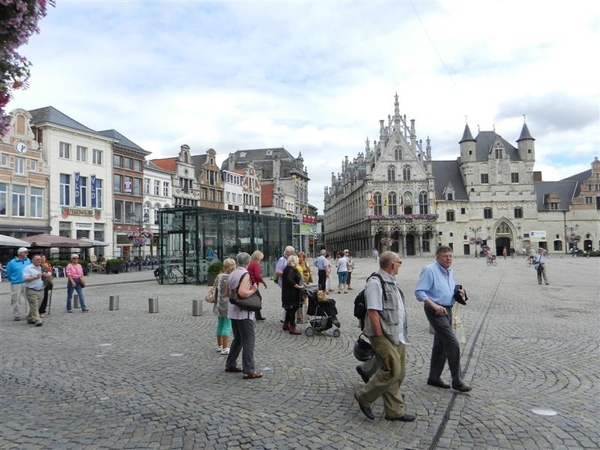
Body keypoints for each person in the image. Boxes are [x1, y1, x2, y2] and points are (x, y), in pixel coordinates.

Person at [354, 251, 414, 422]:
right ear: (393, 264)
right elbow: (373, 310)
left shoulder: (392, 281)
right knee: (392, 369)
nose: (400, 265)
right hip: (384, 334)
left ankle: (394, 411)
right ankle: (364, 397)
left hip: (397, 333)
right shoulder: (375, 282)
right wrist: (380, 335)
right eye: (399, 262)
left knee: (399, 372)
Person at [415, 245, 471, 393]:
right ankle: (457, 381)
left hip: (448, 309)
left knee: (440, 345)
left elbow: (448, 289)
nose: (448, 259)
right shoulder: (429, 270)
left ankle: (434, 377)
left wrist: (459, 291)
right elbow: (420, 292)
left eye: (450, 256)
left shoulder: (450, 271)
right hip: (436, 311)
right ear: (437, 257)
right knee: (453, 344)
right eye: (445, 256)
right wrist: (433, 305)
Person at [224, 252, 262, 379]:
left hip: (233, 310)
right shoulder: (245, 274)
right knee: (248, 339)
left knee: (238, 338)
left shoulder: (233, 273)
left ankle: (230, 363)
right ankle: (249, 369)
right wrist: (253, 290)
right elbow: (242, 292)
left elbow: (227, 292)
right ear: (248, 262)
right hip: (243, 311)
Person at [214, 258, 236, 355]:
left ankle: (219, 346)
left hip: (219, 303)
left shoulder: (219, 276)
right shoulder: (232, 277)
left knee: (220, 324)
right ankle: (225, 347)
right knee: (227, 326)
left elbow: (214, 287)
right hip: (228, 304)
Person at [22, 254, 50, 327]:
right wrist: (36, 277)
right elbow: (25, 279)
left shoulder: (42, 267)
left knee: (37, 306)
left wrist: (46, 275)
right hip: (31, 290)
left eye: (40, 259)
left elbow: (49, 273)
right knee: (34, 305)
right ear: (32, 260)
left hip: (41, 290)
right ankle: (37, 320)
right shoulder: (28, 268)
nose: (39, 261)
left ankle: (30, 318)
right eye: (37, 259)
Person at [6, 247, 31, 321]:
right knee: (16, 299)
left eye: (27, 252)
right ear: (20, 253)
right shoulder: (12, 262)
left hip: (27, 282)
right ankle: (16, 315)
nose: (27, 254)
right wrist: (13, 280)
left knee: (29, 299)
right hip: (16, 283)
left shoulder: (28, 260)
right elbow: (9, 273)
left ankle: (29, 314)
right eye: (25, 252)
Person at [281, 255, 304, 335]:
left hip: (287, 293)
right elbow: (290, 280)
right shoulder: (291, 269)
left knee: (289, 309)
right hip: (291, 293)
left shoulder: (287, 268)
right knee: (292, 309)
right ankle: (292, 327)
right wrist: (299, 286)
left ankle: (286, 324)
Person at [248, 251, 268, 321]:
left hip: (249, 283)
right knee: (258, 298)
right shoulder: (255, 264)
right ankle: (256, 315)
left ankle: (257, 315)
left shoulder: (250, 263)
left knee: (256, 298)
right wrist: (263, 282)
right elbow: (257, 275)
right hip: (254, 284)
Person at [297, 251, 313, 323]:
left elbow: (309, 272)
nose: (298, 258)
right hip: (299, 284)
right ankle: (299, 315)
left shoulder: (306, 264)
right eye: (298, 256)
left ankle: (306, 314)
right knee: (299, 300)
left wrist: (308, 280)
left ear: (303, 258)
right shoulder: (296, 265)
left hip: (306, 284)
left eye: (300, 257)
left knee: (305, 299)